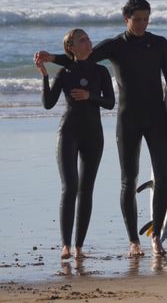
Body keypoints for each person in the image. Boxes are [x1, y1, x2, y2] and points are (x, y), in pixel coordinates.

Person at [34, 0, 167, 256]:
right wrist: (52, 58)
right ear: (126, 19)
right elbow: (82, 60)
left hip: (157, 119)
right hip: (129, 120)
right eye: (137, 19)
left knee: (164, 178)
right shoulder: (115, 46)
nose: (142, 24)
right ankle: (134, 240)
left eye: (146, 19)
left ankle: (157, 235)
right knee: (128, 180)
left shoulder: (160, 44)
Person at [35, 29, 115, 260]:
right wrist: (44, 74)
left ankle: (79, 246)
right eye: (82, 40)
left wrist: (90, 96)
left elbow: (110, 103)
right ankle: (65, 245)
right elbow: (48, 104)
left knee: (86, 190)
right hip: (68, 133)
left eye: (88, 38)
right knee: (69, 187)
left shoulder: (101, 71)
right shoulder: (65, 72)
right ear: (71, 47)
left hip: (93, 135)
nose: (89, 42)